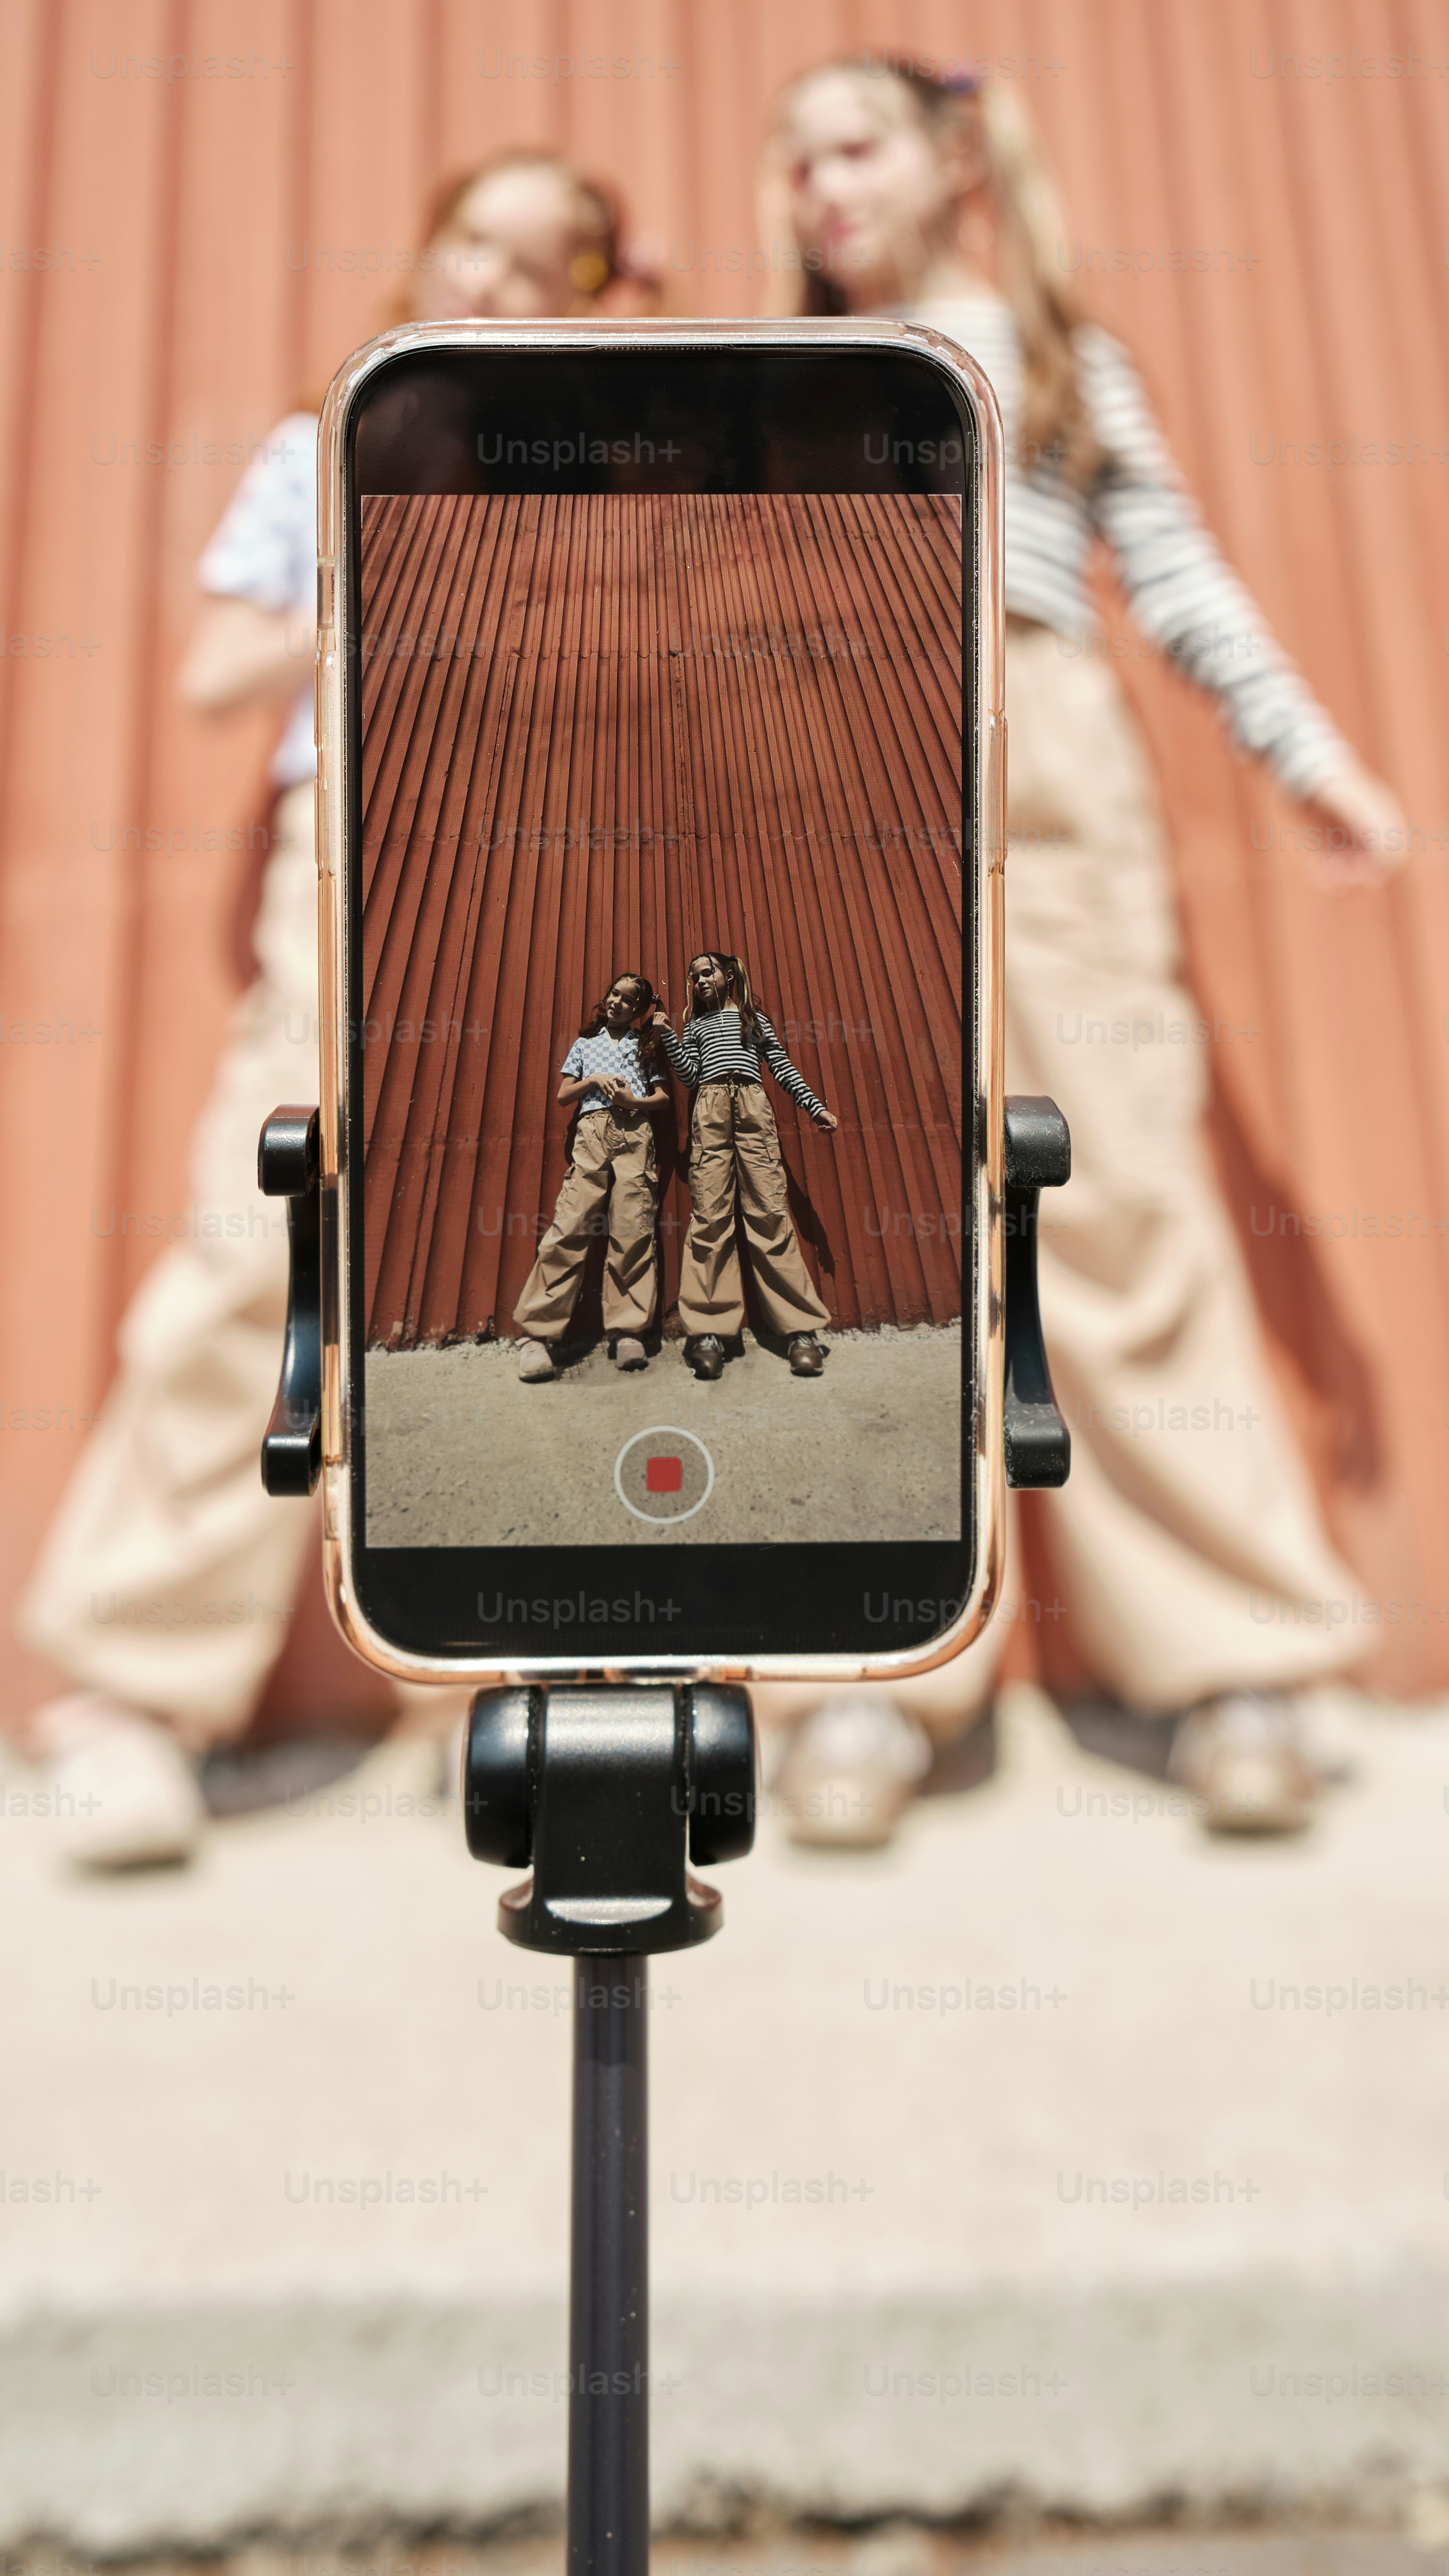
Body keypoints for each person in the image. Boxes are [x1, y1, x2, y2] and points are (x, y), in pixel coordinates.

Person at [752, 57, 1408, 1848]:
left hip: (1042, 767)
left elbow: (1177, 574)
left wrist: (1315, 762)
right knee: (852, 1217)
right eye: (798, 159)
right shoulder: (784, 372)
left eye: (857, 147)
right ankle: (863, 1679)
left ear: (950, 160)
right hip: (826, 770)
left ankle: (1238, 1666)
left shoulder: (1049, 356)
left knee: (1115, 1200)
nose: (825, 187)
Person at [17, 149, 643, 1871]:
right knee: (261, 1249)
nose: (505, 291)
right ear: (426, 250)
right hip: (359, 865)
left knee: (551, 1254)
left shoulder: (605, 474)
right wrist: (391, 536)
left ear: (589, 301)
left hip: (566, 871)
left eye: (548, 269)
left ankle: (511, 1672)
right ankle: (127, 1694)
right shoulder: (327, 447)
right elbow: (220, 672)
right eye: (479, 251)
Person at [651, 950, 839, 1381]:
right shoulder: (695, 1024)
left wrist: (815, 1107)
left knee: (769, 1213)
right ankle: (709, 1332)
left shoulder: (753, 1019)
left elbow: (781, 1065)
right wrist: (668, 1037)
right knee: (710, 1218)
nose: (699, 980)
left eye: (707, 971)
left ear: (728, 974)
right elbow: (689, 1075)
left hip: (752, 1106)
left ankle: (799, 1332)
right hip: (710, 1108)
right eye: (693, 976)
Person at [514, 972, 670, 1380]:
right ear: (605, 1000)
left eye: (629, 999)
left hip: (636, 1131)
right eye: (613, 994)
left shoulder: (645, 1045)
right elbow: (564, 1094)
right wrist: (593, 1081)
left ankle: (627, 1330)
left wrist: (631, 1099)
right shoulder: (585, 1044)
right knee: (572, 1223)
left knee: (632, 1227)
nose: (618, 1002)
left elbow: (663, 1097)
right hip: (593, 1130)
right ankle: (537, 1335)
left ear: (638, 1009)